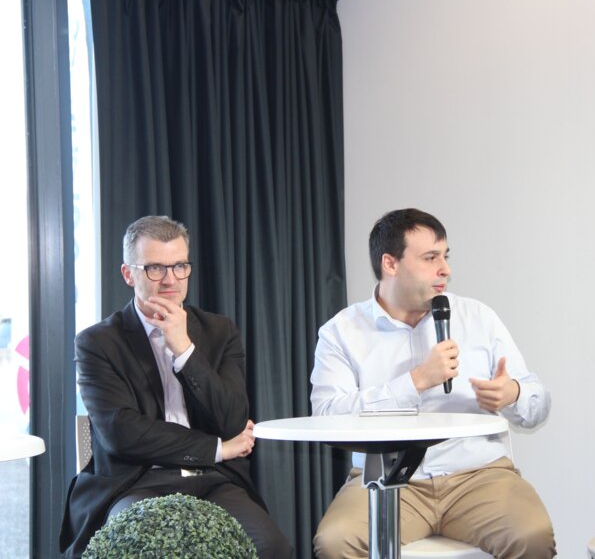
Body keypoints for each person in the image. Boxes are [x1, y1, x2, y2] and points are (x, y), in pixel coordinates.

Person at [310, 208, 556, 559]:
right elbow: (327, 416)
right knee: (336, 542)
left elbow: (537, 404)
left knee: (532, 536)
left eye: (445, 256)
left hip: (477, 476)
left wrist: (513, 393)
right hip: (387, 481)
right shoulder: (341, 332)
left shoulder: (477, 318)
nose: (446, 269)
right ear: (390, 264)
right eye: (430, 258)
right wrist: (415, 381)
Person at [60, 216, 292, 558]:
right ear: (129, 274)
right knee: (142, 548)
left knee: (271, 547)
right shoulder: (97, 342)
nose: (170, 280)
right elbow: (122, 434)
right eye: (155, 268)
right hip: (136, 482)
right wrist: (217, 448)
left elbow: (231, 420)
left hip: (214, 480)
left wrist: (184, 349)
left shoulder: (219, 331)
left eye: (179, 266)